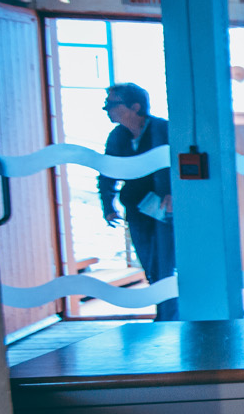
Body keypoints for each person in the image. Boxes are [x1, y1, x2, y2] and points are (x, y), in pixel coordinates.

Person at [97, 83, 177, 322]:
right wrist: (108, 205)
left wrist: (174, 194)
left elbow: (179, 164)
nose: (106, 109)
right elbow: (107, 171)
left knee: (166, 264)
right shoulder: (117, 136)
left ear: (135, 106)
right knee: (150, 265)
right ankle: (165, 315)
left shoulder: (163, 129)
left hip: (165, 210)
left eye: (112, 104)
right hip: (137, 209)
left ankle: (169, 317)